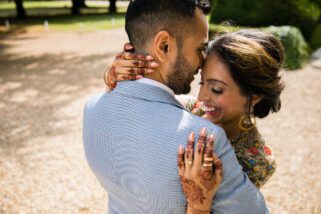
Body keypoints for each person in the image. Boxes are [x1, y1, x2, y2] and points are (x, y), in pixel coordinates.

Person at [83, 0, 269, 213]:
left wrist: (115, 83)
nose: (202, 62)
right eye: (200, 48)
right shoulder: (204, 140)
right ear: (164, 46)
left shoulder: (92, 108)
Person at [108, 30, 284, 188]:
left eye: (216, 89)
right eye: (202, 82)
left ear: (254, 96)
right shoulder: (191, 108)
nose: (201, 97)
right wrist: (118, 77)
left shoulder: (256, 163)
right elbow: (136, 107)